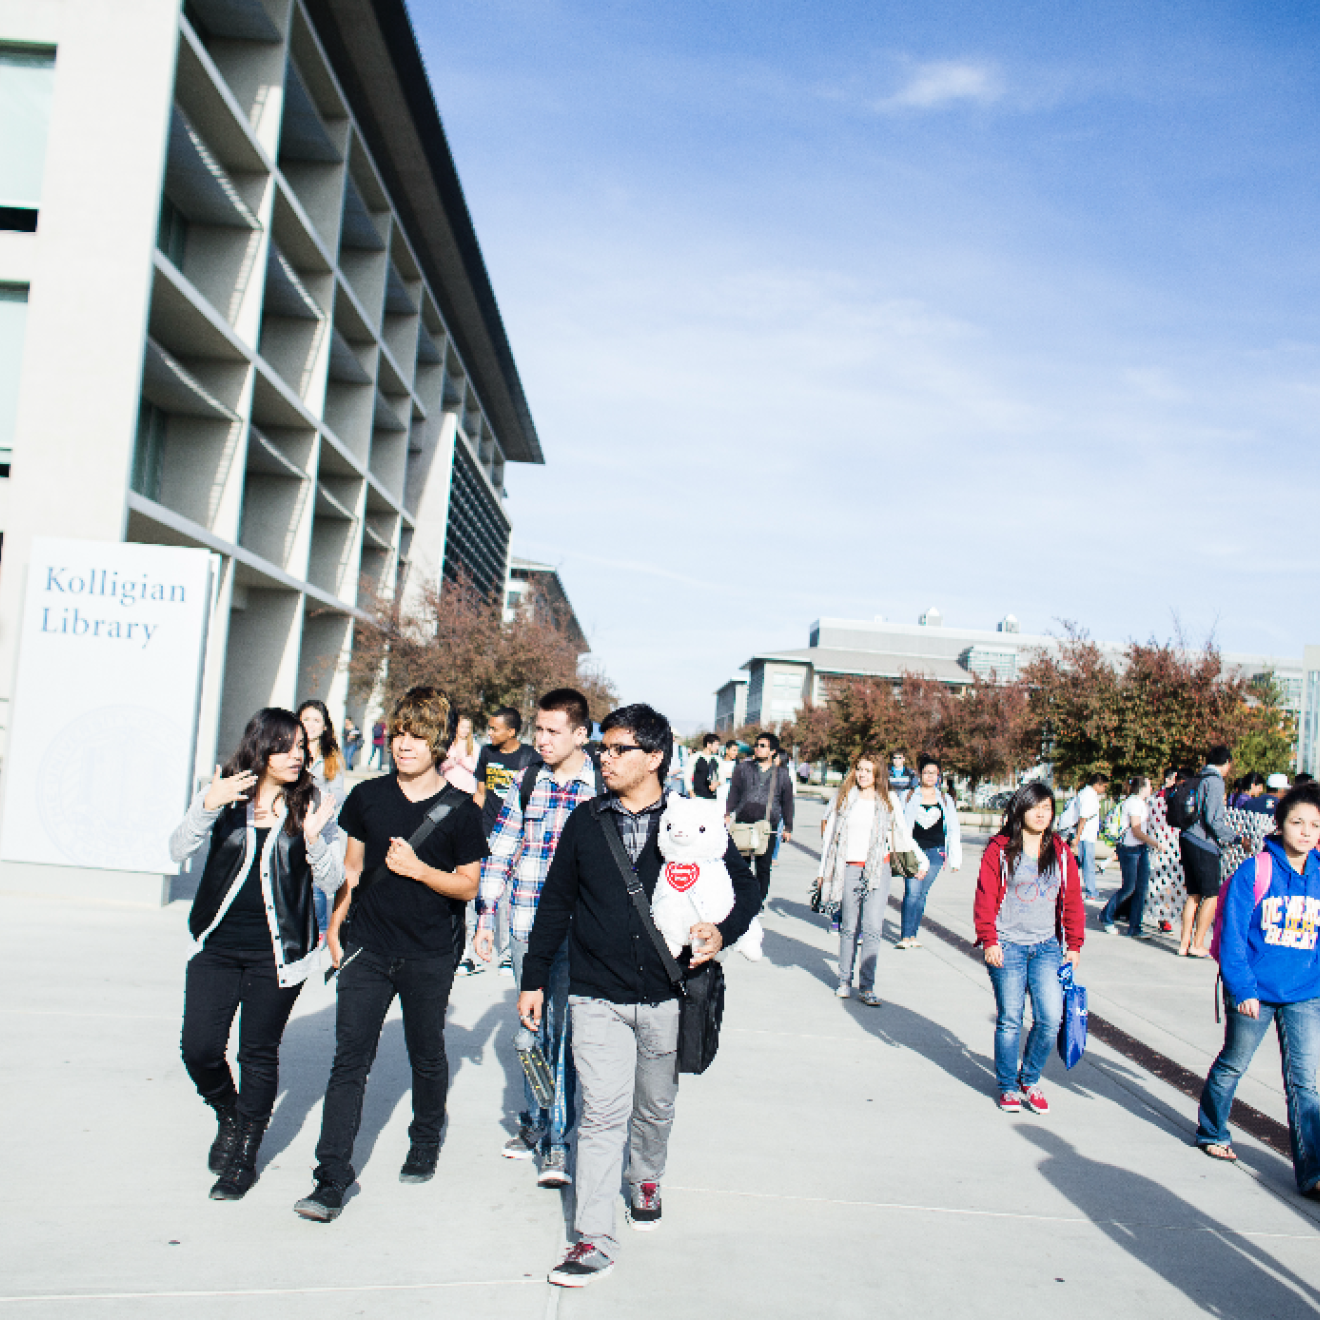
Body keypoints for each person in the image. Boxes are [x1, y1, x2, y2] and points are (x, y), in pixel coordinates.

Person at [518, 704, 760, 1286]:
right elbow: (555, 903)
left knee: (654, 1108)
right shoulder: (585, 821)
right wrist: (532, 978)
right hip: (595, 993)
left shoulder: (693, 820)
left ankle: (646, 1176)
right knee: (601, 1115)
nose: (605, 758)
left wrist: (719, 933)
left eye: (618, 749)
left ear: (653, 758)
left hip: (666, 995)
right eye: (603, 748)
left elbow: (747, 889)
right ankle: (593, 1237)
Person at [294, 687, 488, 1222]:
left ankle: (425, 1138)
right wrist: (335, 926)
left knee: (426, 1053)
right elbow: (353, 871)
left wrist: (420, 871)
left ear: (440, 742)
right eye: (400, 733)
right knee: (349, 1061)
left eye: (418, 735)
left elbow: (469, 885)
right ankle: (330, 1178)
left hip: (429, 953)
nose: (405, 744)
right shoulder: (367, 797)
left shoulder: (461, 811)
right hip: (368, 948)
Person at [170, 709, 341, 1200]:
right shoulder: (226, 794)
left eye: (301, 748)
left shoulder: (313, 803)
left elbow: (332, 882)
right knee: (198, 1048)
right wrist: (206, 805)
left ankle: (244, 1155)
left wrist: (312, 840)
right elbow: (177, 849)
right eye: (286, 746)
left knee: (257, 1054)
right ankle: (228, 1110)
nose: (297, 756)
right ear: (261, 747)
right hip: (217, 947)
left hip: (278, 954)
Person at [475, 689, 599, 1189]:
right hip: (526, 926)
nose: (542, 740)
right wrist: (486, 918)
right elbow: (502, 848)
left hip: (580, 933)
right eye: (539, 731)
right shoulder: (528, 782)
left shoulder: (601, 788)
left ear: (580, 734)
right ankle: (536, 1118)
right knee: (531, 1035)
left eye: (553, 731)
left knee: (564, 1035)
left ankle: (556, 1142)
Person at [1195, 781, 1320, 1197]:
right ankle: (1212, 1129)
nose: (1305, 831)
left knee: (1304, 1082)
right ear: (1279, 825)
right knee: (1234, 1063)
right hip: (1254, 991)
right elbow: (1231, 937)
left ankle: (1313, 1172)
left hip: (1305, 993)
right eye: (1297, 822)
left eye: (1314, 825)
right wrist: (1242, 988)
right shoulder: (1256, 870)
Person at [973, 782, 1086, 1114]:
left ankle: (1029, 1078)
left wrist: (1074, 944)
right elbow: (985, 897)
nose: (1042, 813)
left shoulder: (1062, 852)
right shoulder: (1000, 849)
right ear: (1021, 809)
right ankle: (1008, 1086)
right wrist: (989, 939)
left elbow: (1073, 903)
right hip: (1007, 945)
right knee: (1010, 1018)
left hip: (1047, 946)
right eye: (1036, 806)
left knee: (1050, 1018)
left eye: (1048, 808)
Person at [817, 749, 927, 1005]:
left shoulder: (888, 799)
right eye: (859, 769)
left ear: (877, 772)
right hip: (850, 868)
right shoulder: (844, 797)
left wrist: (919, 859)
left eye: (868, 770)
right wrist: (823, 872)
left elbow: (902, 832)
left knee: (873, 928)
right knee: (849, 927)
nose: (863, 774)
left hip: (879, 869)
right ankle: (844, 980)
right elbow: (830, 838)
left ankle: (867, 986)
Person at [473, 707, 538, 975]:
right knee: (484, 891)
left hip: (517, 835)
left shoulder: (529, 757)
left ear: (511, 732)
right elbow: (480, 792)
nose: (490, 733)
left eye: (495, 729)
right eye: (489, 728)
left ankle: (509, 953)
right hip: (488, 829)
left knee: (511, 893)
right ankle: (477, 947)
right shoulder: (487, 753)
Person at [1178, 746, 1241, 958]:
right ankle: (1197, 943)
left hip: (1187, 837)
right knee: (1212, 894)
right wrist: (1236, 838)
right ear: (1227, 762)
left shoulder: (1199, 777)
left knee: (1193, 893)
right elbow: (1214, 819)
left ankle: (1184, 943)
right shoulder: (1215, 781)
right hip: (1203, 842)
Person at [898, 753, 962, 949]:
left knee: (921, 893)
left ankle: (913, 934)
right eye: (927, 773)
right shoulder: (908, 796)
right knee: (912, 891)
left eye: (934, 773)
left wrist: (954, 859)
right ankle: (905, 936)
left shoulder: (945, 799)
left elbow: (953, 828)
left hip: (936, 852)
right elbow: (899, 825)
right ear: (920, 774)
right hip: (912, 851)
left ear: (939, 776)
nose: (930, 777)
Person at [725, 731, 795, 906]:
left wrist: (788, 827)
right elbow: (734, 792)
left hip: (767, 827)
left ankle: (757, 901)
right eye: (756, 745)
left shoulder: (782, 775)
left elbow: (787, 802)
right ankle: (739, 900)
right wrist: (727, 812)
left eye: (762, 746)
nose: (757, 749)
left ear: (772, 751)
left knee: (763, 868)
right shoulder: (743, 768)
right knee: (740, 866)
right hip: (743, 823)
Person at [299, 699, 348, 936]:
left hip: (322, 828)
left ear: (325, 726)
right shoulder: (290, 750)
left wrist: (317, 798)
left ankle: (319, 931)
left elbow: (338, 792)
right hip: (294, 827)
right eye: (306, 719)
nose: (310, 725)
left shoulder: (331, 756)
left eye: (316, 720)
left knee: (320, 884)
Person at [1101, 776, 1157, 937]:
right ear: (1142, 787)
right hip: (1129, 849)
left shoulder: (1141, 803)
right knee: (1129, 888)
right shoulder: (1133, 803)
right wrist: (1155, 843)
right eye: (1149, 785)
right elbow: (1136, 830)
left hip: (1140, 849)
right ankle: (1106, 915)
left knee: (1140, 889)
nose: (1151, 788)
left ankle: (1135, 927)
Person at [1074, 772, 1109, 901]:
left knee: (1083, 863)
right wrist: (1077, 836)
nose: (1104, 789)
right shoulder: (1089, 796)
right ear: (1097, 784)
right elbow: (1083, 818)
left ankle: (1089, 890)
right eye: (1104, 786)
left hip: (1085, 835)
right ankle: (1091, 891)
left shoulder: (1084, 793)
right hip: (1086, 836)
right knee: (1088, 864)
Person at [440, 714, 480, 795]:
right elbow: (440, 767)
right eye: (462, 727)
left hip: (467, 791)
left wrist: (463, 762)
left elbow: (478, 771)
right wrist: (451, 762)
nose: (465, 730)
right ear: (457, 727)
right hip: (448, 789)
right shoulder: (449, 744)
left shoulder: (474, 746)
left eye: (467, 727)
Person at [691, 734, 722, 800]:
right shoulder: (695, 757)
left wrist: (717, 783)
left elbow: (722, 777)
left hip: (712, 798)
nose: (717, 747)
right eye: (716, 745)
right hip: (698, 796)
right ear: (708, 744)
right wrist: (691, 792)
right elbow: (687, 776)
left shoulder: (717, 759)